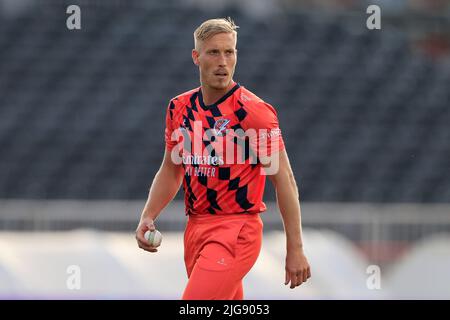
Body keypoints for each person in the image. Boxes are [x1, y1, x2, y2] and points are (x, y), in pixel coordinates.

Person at [135, 17, 311, 300]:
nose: (222, 61)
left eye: (229, 52)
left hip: (236, 230)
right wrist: (148, 215)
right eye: (213, 52)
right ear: (196, 56)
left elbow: (284, 179)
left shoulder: (254, 112)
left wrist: (296, 248)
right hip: (195, 229)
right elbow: (171, 170)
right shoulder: (179, 108)